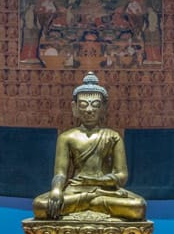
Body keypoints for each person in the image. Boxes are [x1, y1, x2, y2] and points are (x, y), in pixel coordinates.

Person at [32, 72, 147, 221]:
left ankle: (89, 202)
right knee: (40, 206)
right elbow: (60, 173)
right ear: (75, 108)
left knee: (138, 206)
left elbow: (122, 175)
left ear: (104, 108)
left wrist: (97, 182)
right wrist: (56, 190)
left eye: (95, 105)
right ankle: (91, 202)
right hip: (75, 191)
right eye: (83, 105)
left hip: (105, 191)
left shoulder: (113, 136)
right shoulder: (67, 137)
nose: (89, 110)